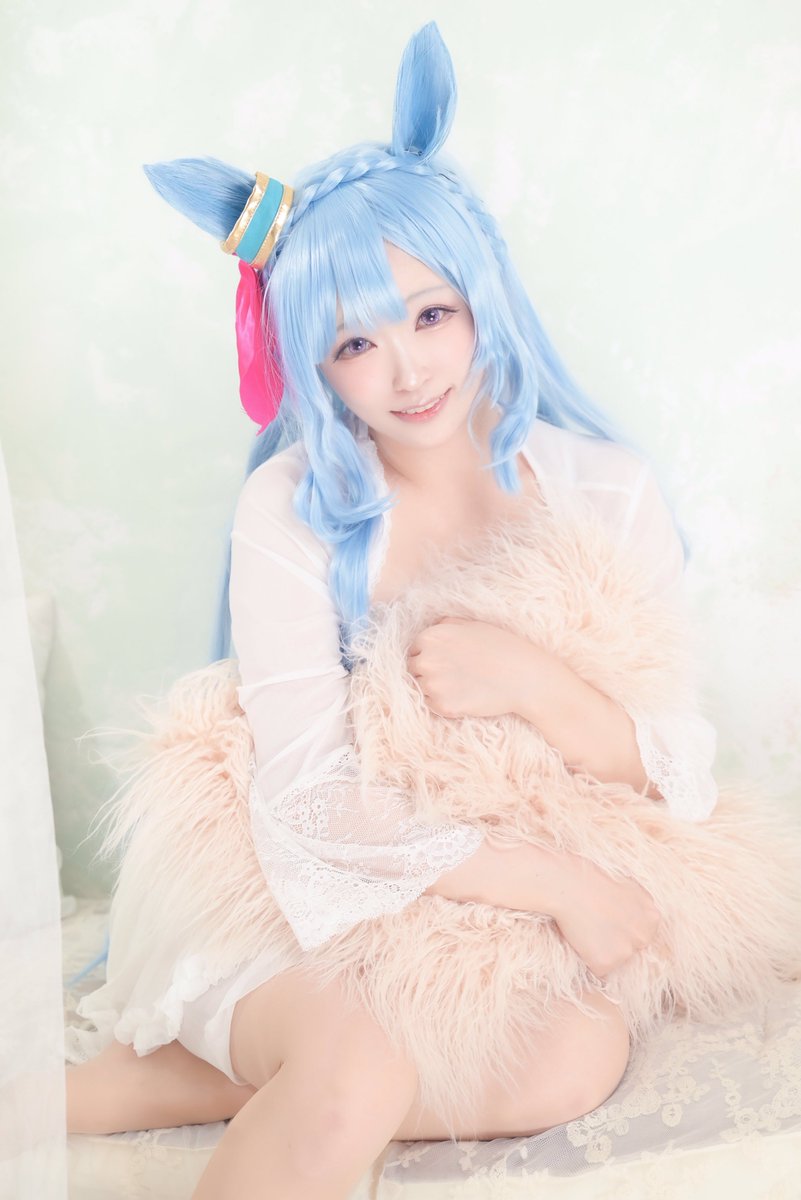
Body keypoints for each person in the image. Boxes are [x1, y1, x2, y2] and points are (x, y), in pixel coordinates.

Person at [65, 22, 801, 1200]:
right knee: (358, 1065)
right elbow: (310, 802)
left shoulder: (603, 488)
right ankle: (259, 1064)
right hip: (291, 871)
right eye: (355, 341)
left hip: (471, 903)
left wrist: (537, 684)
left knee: (574, 1054)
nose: (408, 371)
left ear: (479, 299)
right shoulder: (291, 506)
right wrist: (560, 885)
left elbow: (678, 769)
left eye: (430, 315)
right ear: (313, 362)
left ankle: (188, 1080)